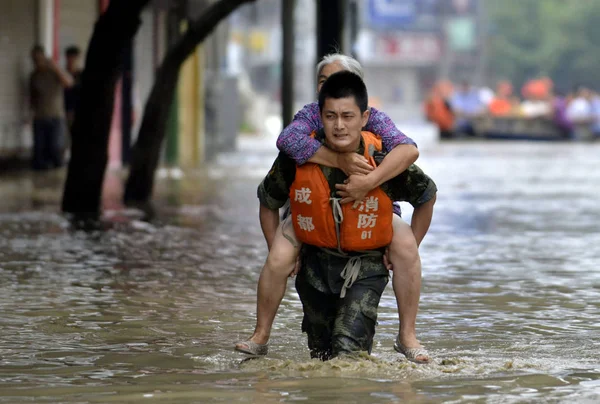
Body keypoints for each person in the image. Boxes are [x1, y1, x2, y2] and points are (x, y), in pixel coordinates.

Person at [236, 54, 432, 363]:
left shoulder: (376, 126)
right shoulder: (310, 118)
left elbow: (410, 153)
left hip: (370, 214)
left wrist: (370, 181)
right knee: (278, 256)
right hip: (311, 217)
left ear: (361, 111)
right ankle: (261, 334)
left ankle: (407, 334)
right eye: (325, 83)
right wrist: (338, 160)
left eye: (347, 114)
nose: (339, 124)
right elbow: (285, 144)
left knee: (406, 247)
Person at [29, 45, 73, 170]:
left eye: (39, 59)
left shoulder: (54, 73)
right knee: (40, 151)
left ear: (44, 58)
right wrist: (30, 113)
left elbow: (68, 83)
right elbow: (32, 96)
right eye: (34, 59)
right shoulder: (34, 75)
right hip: (40, 117)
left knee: (56, 148)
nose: (37, 62)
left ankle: (58, 171)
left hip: (56, 116)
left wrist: (55, 66)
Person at [63, 45, 83, 133]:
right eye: (70, 57)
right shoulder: (62, 75)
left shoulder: (82, 75)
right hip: (65, 110)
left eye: (75, 58)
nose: (72, 60)